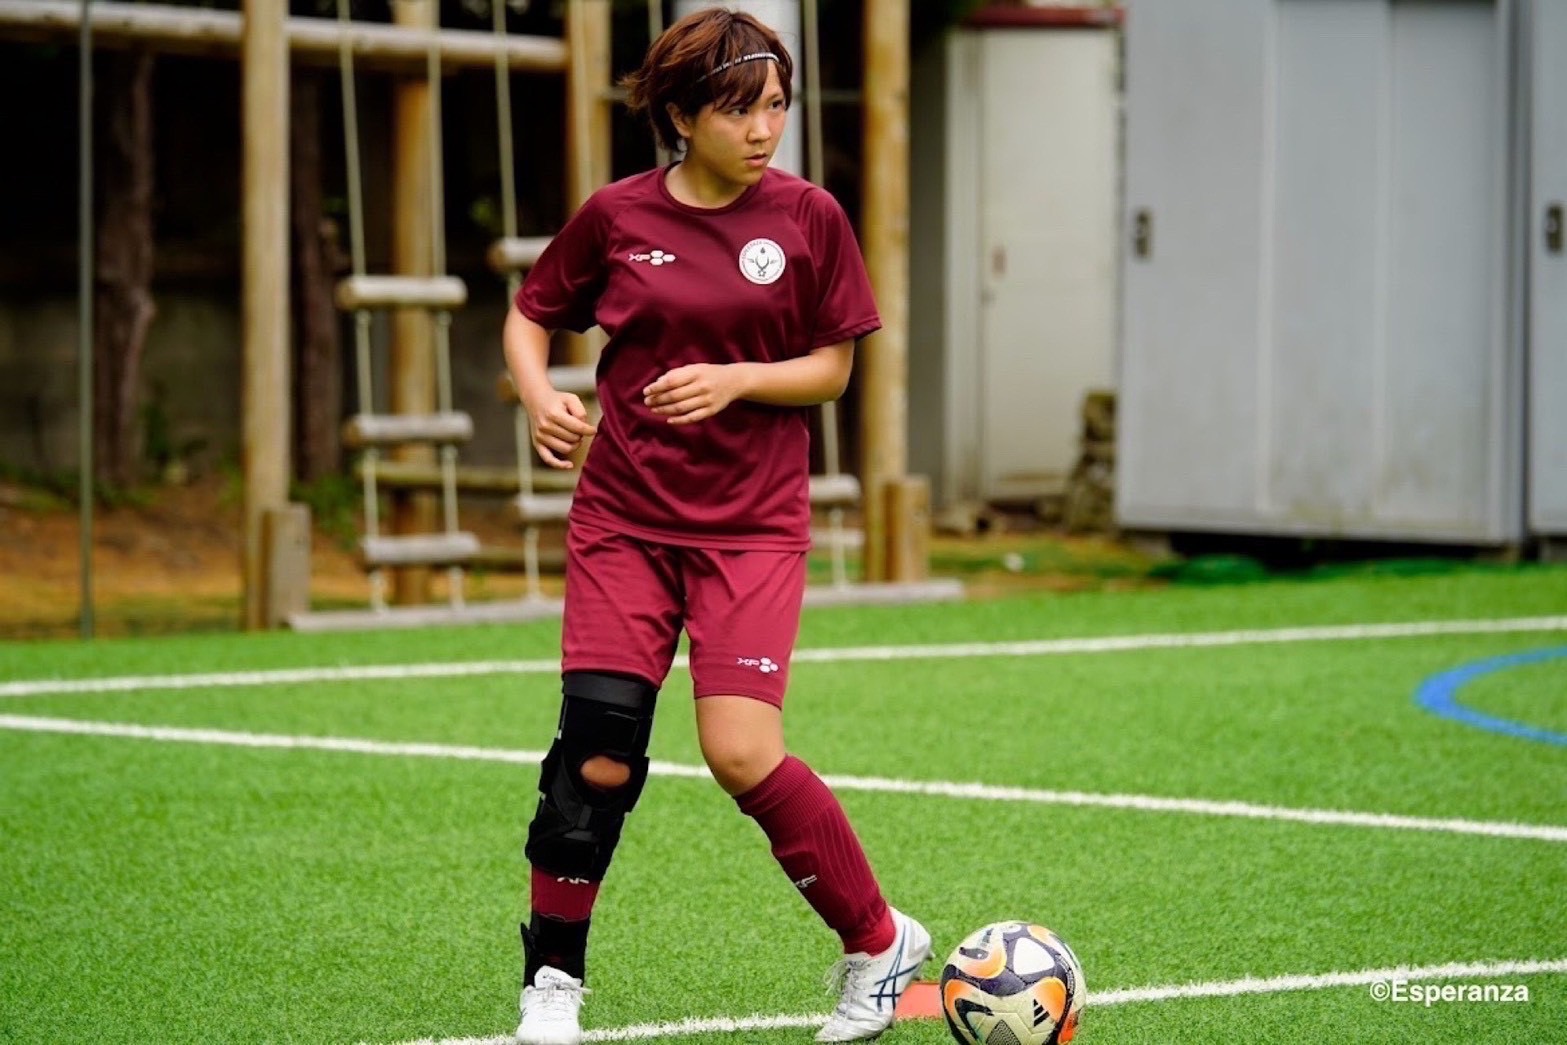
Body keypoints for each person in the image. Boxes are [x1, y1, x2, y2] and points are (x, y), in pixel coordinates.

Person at [501, 7, 929, 1045]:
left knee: (739, 752)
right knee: (597, 749)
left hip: (751, 529)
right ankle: (552, 981)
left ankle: (879, 942)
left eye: (775, 106)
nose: (764, 128)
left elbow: (832, 369)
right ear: (682, 117)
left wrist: (737, 379)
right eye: (740, 110)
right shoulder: (615, 216)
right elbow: (529, 313)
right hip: (623, 523)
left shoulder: (810, 217)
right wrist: (539, 397)